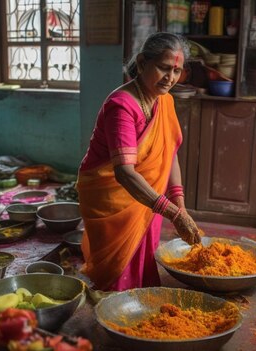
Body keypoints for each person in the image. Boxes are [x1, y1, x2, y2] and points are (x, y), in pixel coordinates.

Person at [76, 32, 202, 292]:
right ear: (143, 62)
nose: (170, 78)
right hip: (112, 198)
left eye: (177, 71)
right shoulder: (121, 106)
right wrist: (171, 212)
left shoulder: (164, 101)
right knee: (115, 271)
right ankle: (114, 309)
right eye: (164, 68)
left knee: (142, 260)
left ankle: (139, 298)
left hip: (148, 196)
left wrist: (179, 203)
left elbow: (169, 153)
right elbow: (124, 173)